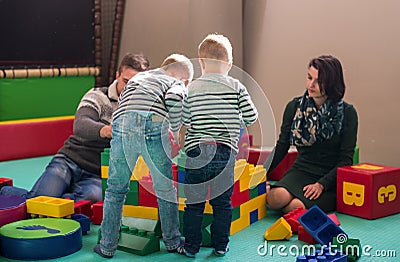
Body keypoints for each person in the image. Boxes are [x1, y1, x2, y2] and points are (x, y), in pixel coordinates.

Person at [0, 53, 150, 203]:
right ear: (117, 75)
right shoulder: (98, 96)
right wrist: (106, 130)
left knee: (89, 201)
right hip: (70, 160)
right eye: (126, 81)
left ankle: (62, 197)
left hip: (97, 173)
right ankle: (5, 191)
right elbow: (80, 124)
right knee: (39, 201)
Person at [94, 53, 194, 258]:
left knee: (115, 189)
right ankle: (173, 241)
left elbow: (126, 105)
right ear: (184, 79)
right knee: (165, 187)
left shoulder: (142, 77)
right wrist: (174, 129)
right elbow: (175, 98)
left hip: (121, 125)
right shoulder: (175, 83)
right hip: (151, 125)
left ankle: (107, 245)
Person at [179, 34, 258, 258]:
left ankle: (191, 247)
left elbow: (185, 119)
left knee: (194, 203)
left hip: (196, 151)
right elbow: (252, 117)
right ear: (230, 64)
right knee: (222, 203)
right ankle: (220, 245)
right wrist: (236, 119)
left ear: (201, 63)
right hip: (224, 152)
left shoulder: (192, 88)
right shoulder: (236, 86)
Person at [265, 54, 358, 214]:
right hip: (302, 169)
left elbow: (346, 159)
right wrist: (261, 174)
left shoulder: (348, 113)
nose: (311, 84)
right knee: (275, 198)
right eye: (309, 77)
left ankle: (307, 204)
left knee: (295, 208)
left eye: (319, 81)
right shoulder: (294, 106)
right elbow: (282, 145)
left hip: (329, 176)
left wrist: (321, 184)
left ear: (331, 83)